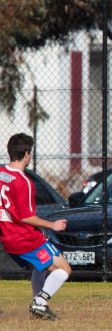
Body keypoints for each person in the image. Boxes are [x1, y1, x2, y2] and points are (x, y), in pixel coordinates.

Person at [0, 133, 71, 320]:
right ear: (26, 154)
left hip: (8, 238)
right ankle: (40, 303)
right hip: (26, 238)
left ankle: (38, 306)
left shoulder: (1, 174)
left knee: (39, 267)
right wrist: (52, 225)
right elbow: (27, 217)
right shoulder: (24, 182)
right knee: (64, 269)